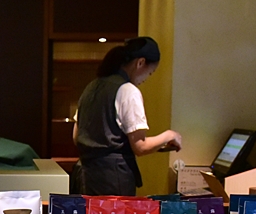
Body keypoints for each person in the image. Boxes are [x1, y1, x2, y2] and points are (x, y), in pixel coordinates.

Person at [71, 36, 182, 196]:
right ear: (140, 63)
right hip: (113, 179)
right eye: (150, 73)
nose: (146, 79)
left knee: (90, 213)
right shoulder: (127, 90)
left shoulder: (91, 87)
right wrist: (169, 135)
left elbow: (76, 137)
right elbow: (140, 146)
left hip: (86, 176)